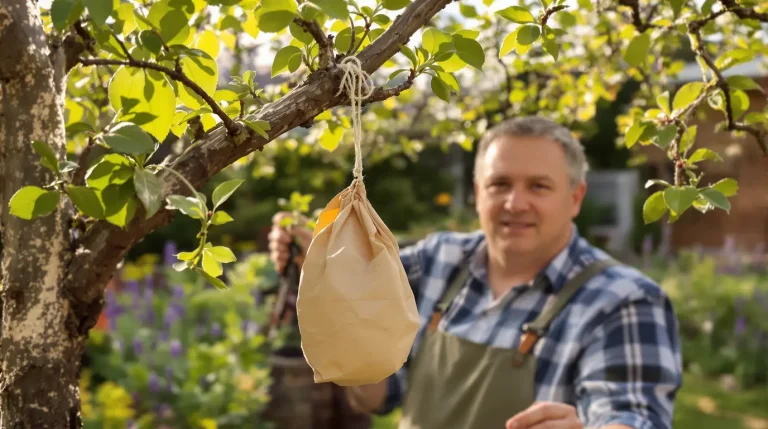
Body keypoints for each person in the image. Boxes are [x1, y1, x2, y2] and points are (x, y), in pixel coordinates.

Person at [268, 116, 683, 429]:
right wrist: (323, 268)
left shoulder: (623, 300)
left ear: (575, 198)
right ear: (478, 190)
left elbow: (631, 411)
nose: (515, 203)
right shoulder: (436, 261)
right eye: (500, 184)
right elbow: (377, 394)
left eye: (538, 186)